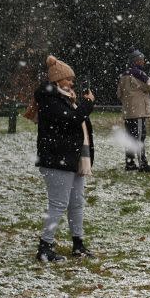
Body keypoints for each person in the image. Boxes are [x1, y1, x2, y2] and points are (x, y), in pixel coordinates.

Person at [30, 55, 96, 263]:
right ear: (58, 80)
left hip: (73, 157)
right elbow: (71, 121)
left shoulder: (67, 99)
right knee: (58, 203)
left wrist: (81, 104)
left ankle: (78, 243)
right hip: (57, 158)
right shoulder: (50, 99)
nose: (72, 83)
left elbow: (77, 121)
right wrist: (87, 105)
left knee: (76, 203)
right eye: (68, 79)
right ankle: (45, 246)